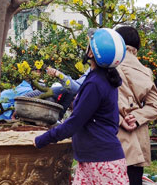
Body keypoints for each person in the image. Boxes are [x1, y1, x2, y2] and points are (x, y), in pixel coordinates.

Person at [35, 28, 129, 185]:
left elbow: (75, 122)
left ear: (92, 54)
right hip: (95, 159)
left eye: (89, 45)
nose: (86, 48)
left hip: (100, 162)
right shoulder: (103, 79)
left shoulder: (95, 84)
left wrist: (43, 139)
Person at [115, 25, 157, 185]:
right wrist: (135, 117)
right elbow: (155, 105)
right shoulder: (145, 71)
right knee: (134, 177)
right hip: (137, 135)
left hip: (112, 134)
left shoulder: (108, 66)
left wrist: (122, 119)